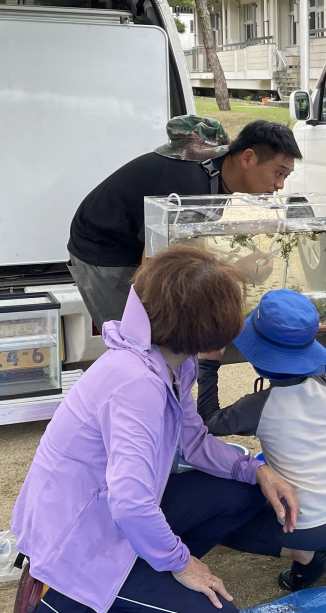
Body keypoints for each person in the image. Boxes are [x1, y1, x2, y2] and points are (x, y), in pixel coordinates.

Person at [11, 245, 299, 613]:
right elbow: (130, 503)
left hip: (111, 513)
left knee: (243, 491)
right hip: (80, 541)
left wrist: (255, 468)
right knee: (220, 611)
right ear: (207, 329)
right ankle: (69, 598)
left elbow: (193, 441)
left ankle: (151, 564)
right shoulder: (136, 385)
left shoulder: (171, 360)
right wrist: (183, 563)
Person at [196, 290, 326, 589]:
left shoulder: (257, 406)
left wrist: (207, 365)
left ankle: (307, 557)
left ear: (256, 354)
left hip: (307, 530)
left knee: (216, 525)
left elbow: (208, 420)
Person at [67, 117, 302, 328]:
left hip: (138, 241)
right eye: (278, 173)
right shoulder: (191, 185)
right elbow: (156, 273)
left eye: (286, 176)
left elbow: (191, 243)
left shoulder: (220, 171)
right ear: (248, 158)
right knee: (141, 338)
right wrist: (235, 273)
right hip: (104, 250)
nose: (280, 185)